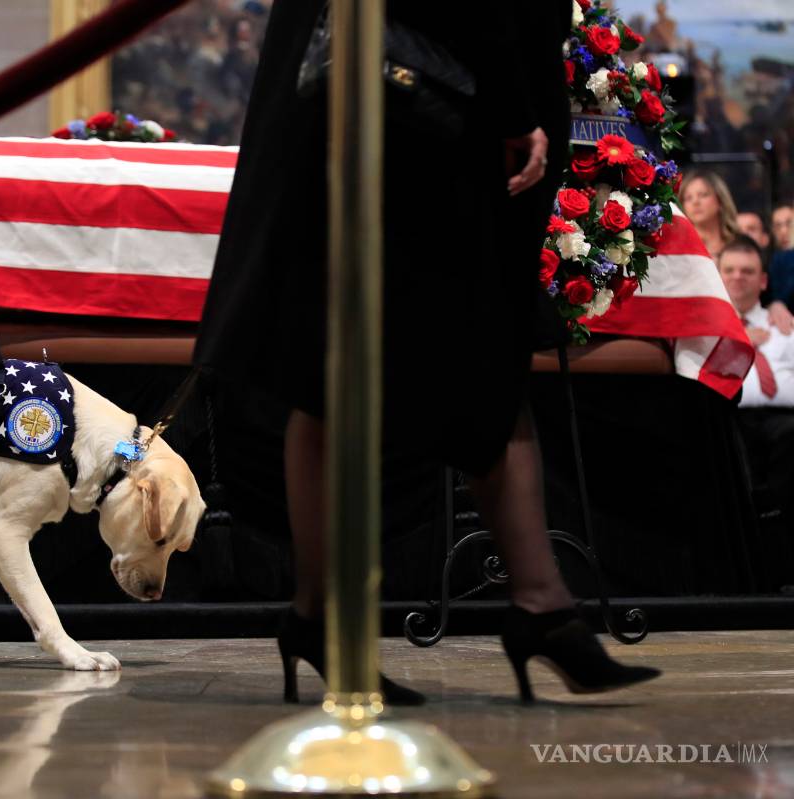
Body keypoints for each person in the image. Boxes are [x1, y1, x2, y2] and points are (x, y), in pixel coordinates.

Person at [194, 1, 657, 704]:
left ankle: (538, 605)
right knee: (340, 361)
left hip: (414, 106)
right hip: (415, 114)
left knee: (471, 358)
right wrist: (510, 103)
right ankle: (335, 616)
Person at [717, 236, 794, 533]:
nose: (738, 277)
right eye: (731, 270)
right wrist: (740, 342)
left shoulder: (785, 324)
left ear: (763, 281)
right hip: (732, 419)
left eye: (747, 271)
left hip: (784, 421)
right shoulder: (710, 330)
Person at [679, 170, 739, 261]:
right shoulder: (677, 248)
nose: (695, 202)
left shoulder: (739, 243)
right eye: (688, 198)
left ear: (720, 200)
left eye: (703, 195)